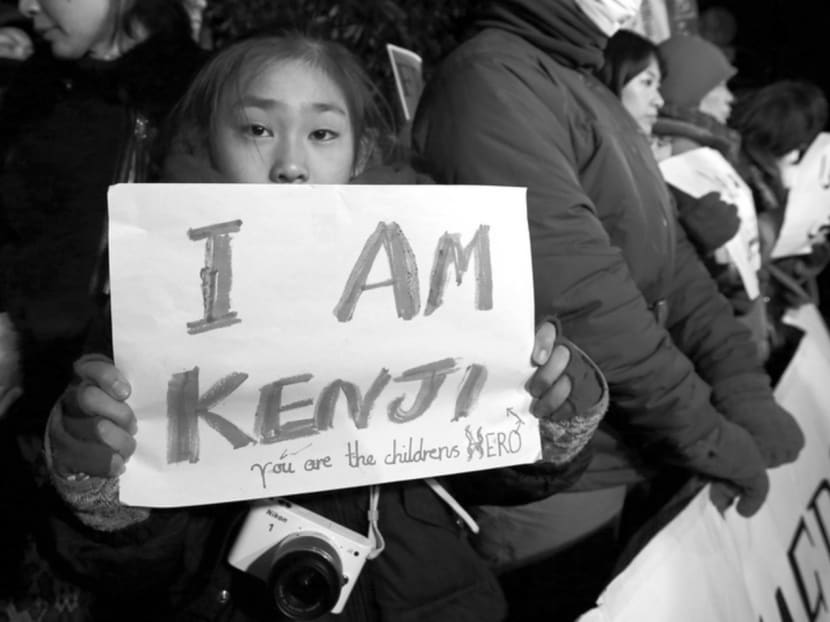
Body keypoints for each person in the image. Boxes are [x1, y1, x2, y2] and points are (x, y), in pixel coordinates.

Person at [42, 34, 610, 622]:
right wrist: (95, 477)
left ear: (358, 153)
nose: (290, 165)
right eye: (257, 129)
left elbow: (495, 469)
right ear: (209, 141)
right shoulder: (154, 304)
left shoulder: (432, 277)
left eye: (321, 134)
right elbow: (119, 563)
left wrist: (554, 410)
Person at [411, 1, 803, 619]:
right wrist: (708, 435)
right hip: (557, 477)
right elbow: (587, 300)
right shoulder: (493, 81)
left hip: (628, 450)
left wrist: (741, 385)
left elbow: (673, 263)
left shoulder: (582, 84)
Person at [0, 0, 204, 615]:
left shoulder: (207, 95)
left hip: (142, 435)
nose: (27, 5)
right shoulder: (27, 93)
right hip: (26, 418)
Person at [598, 29, 741, 261]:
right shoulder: (677, 155)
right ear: (691, 86)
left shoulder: (665, 149)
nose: (659, 99)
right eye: (719, 85)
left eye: (657, 84)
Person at [730, 80, 830, 379]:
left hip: (769, 310)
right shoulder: (742, 171)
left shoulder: (773, 174)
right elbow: (747, 252)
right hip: (749, 316)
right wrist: (783, 216)